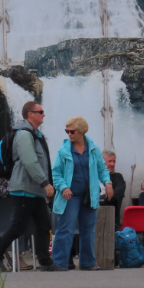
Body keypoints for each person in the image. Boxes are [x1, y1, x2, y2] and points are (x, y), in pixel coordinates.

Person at [0, 102, 60, 271]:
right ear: (30, 114)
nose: (44, 114)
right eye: (40, 112)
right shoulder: (24, 135)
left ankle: (45, 263)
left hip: (34, 190)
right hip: (23, 189)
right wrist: (45, 183)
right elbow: (30, 161)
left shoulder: (35, 134)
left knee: (44, 226)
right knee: (18, 227)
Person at [51, 116, 113, 271]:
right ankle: (58, 263)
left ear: (81, 131)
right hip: (69, 195)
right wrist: (63, 187)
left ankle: (88, 262)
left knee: (89, 229)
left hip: (89, 194)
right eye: (67, 131)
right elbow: (56, 173)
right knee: (65, 229)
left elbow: (102, 169)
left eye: (72, 131)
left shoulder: (93, 149)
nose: (69, 134)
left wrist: (107, 182)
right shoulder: (63, 151)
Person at [99, 149, 127, 227]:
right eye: (110, 161)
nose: (112, 164)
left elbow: (117, 194)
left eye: (114, 161)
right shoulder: (94, 177)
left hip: (109, 214)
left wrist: (101, 198)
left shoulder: (118, 177)